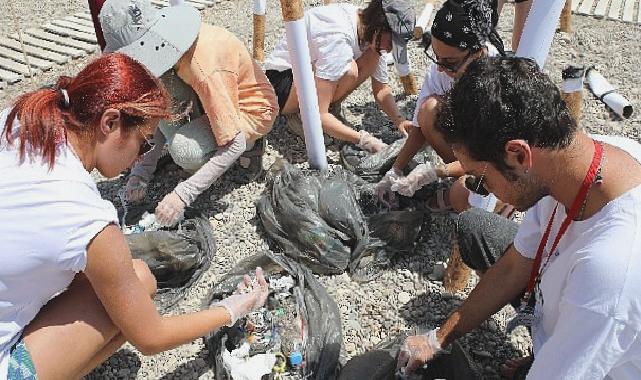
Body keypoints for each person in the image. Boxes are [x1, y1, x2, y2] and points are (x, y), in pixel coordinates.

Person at [0, 53, 269, 380]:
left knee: (131, 276)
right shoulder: (84, 215)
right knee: (137, 288)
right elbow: (151, 337)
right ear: (109, 122)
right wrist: (234, 308)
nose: (140, 156)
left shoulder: (19, 120)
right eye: (143, 144)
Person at [396, 56, 641, 379]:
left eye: (479, 179)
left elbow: (601, 291)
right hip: (584, 310)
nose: (484, 193)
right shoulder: (568, 162)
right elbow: (515, 264)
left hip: (607, 359)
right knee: (475, 227)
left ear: (519, 154)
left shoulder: (611, 268)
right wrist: (438, 338)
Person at [98, 0, 279, 227]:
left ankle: (254, 145)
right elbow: (161, 114)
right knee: (159, 91)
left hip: (251, 111)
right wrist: (142, 170)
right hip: (211, 99)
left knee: (185, 152)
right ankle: (206, 138)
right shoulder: (173, 54)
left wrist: (182, 195)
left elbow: (235, 143)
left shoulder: (203, 68)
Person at [376, 0, 508, 214]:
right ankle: (459, 173)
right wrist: (396, 169)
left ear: (478, 53)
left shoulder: (499, 81)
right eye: (436, 57)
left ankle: (485, 195)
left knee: (463, 197)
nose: (440, 68)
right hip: (469, 149)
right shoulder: (441, 69)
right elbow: (420, 126)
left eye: (449, 62)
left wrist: (436, 171)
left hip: (498, 165)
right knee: (429, 109)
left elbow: (492, 161)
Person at [264, 0, 415, 153]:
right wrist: (363, 140)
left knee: (372, 57)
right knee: (349, 70)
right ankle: (303, 118)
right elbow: (319, 113)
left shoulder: (367, 27)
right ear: (380, 26)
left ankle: (328, 115)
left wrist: (400, 121)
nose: (389, 50)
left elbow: (381, 90)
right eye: (390, 43)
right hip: (281, 83)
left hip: (308, 73)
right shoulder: (338, 37)